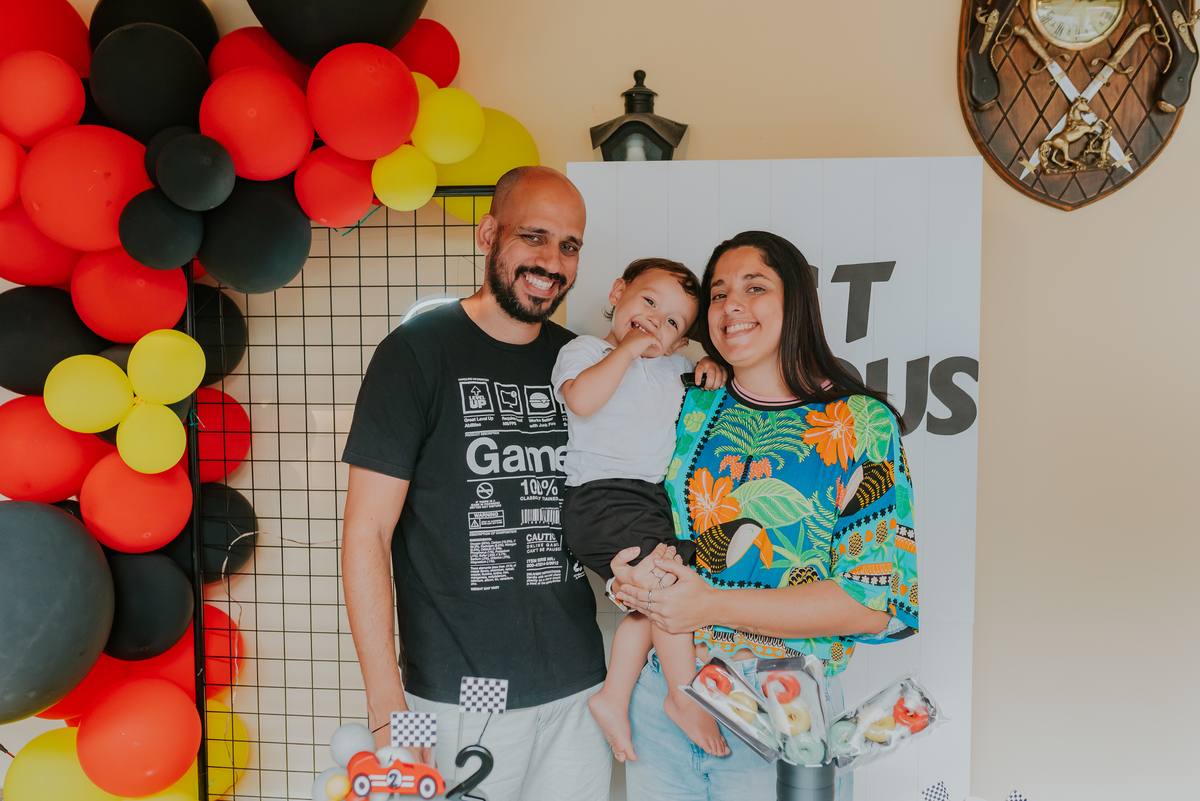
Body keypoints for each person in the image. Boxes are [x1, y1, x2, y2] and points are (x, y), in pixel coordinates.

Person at [613, 231, 921, 801]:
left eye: (755, 287)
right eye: (719, 292)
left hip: (783, 710)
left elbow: (869, 604)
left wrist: (709, 604)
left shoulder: (860, 424)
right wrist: (628, 577)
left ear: (796, 301)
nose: (732, 305)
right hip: (662, 693)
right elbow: (626, 508)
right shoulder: (687, 402)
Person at [340, 166, 612, 801]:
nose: (552, 261)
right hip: (462, 696)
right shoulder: (416, 352)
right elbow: (366, 535)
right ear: (489, 233)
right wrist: (390, 716)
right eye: (534, 237)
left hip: (579, 686)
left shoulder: (580, 363)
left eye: (569, 245)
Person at [551, 258, 728, 763]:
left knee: (650, 603)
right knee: (670, 589)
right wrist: (627, 348)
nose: (655, 320)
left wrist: (710, 367)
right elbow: (582, 401)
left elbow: (701, 379)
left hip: (646, 498)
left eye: (672, 322)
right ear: (617, 292)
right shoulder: (586, 350)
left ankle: (612, 695)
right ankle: (681, 695)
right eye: (649, 302)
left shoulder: (673, 366)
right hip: (600, 498)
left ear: (679, 342)